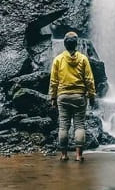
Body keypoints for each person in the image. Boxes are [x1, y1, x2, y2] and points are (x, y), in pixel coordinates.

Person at [48, 31, 96, 162]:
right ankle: (78, 155)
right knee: (79, 125)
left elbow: (53, 81)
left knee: (63, 125)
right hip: (79, 97)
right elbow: (89, 79)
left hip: (62, 96)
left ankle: (64, 155)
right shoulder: (83, 59)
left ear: (65, 44)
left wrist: (52, 97)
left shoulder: (58, 59)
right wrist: (92, 95)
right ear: (76, 44)